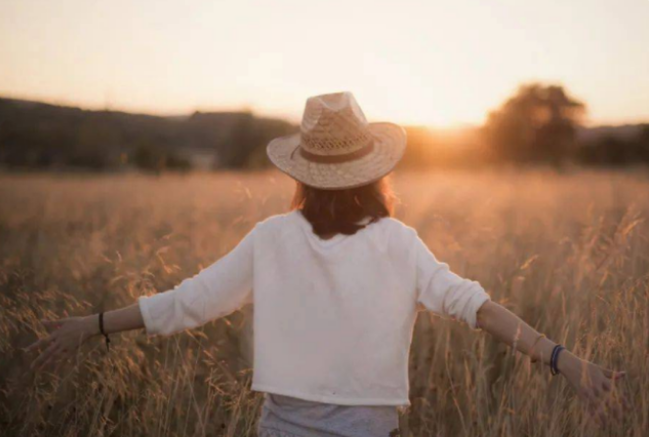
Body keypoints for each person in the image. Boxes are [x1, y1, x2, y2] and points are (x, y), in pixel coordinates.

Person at [27, 92, 626, 436]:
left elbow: (186, 304)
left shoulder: (270, 238)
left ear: (303, 174)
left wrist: (92, 325)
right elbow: (479, 308)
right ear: (376, 172)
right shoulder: (400, 242)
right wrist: (560, 358)